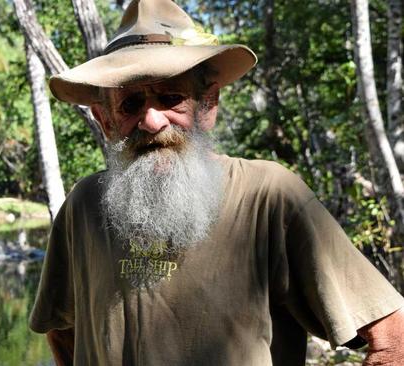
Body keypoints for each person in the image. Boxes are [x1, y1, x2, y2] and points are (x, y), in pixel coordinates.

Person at [29, 0, 404, 365]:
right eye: (130, 105)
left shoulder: (268, 197)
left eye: (171, 97)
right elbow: (64, 332)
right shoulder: (84, 206)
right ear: (105, 120)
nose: (153, 121)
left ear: (208, 105)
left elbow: (394, 340)